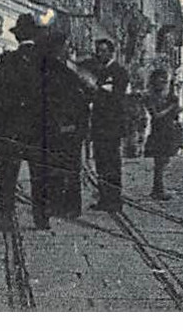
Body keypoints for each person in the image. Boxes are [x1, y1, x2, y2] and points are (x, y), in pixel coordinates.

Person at [0, 14, 48, 231]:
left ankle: (5, 218)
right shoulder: (44, 59)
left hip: (12, 126)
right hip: (38, 127)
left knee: (8, 174)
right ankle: (42, 218)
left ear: (17, 37)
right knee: (39, 173)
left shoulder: (8, 60)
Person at [36, 14, 88, 220]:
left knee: (61, 168)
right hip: (64, 127)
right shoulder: (62, 72)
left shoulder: (57, 71)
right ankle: (66, 205)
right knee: (66, 168)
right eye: (65, 46)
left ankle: (64, 205)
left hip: (64, 128)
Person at [87, 39, 128, 213]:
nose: (100, 54)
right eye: (98, 51)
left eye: (103, 51)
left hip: (111, 125)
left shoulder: (118, 71)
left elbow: (116, 95)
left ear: (111, 52)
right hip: (98, 124)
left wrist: (98, 90)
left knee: (112, 162)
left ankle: (114, 199)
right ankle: (104, 198)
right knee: (101, 162)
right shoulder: (98, 71)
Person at [143, 69, 182, 200]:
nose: (164, 83)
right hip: (158, 132)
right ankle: (157, 190)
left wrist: (175, 108)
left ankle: (158, 188)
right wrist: (171, 107)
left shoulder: (166, 97)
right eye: (161, 80)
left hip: (168, 131)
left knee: (163, 161)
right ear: (154, 81)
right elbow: (156, 115)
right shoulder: (150, 97)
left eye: (165, 81)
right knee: (159, 161)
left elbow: (173, 114)